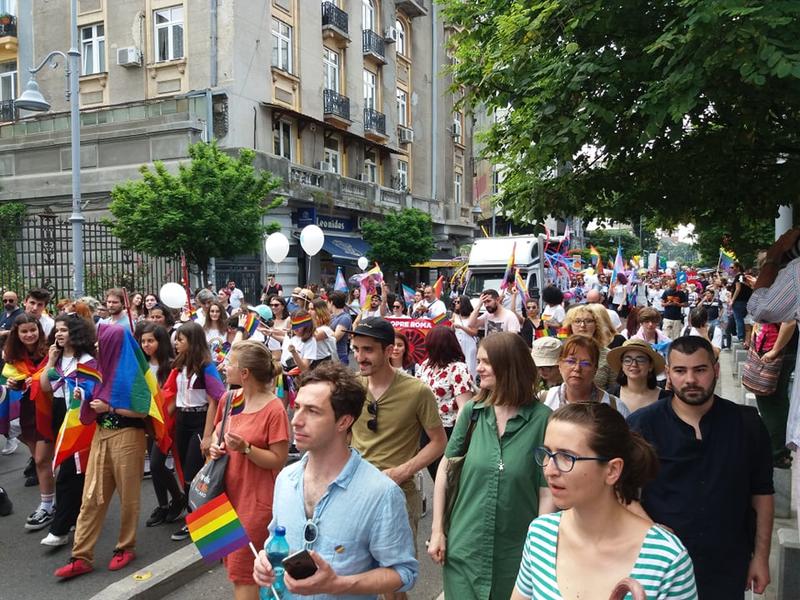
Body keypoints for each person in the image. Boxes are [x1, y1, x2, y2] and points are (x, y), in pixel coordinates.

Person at [252, 362, 418, 598]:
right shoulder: (285, 479)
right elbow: (276, 540)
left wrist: (338, 584)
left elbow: (404, 573)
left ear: (343, 422)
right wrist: (264, 560)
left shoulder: (381, 493)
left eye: (312, 411)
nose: (296, 420)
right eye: (297, 407)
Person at [627, 336, 774, 598]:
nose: (690, 380)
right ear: (668, 373)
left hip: (727, 564)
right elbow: (621, 492)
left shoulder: (747, 423)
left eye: (700, 370)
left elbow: (762, 493)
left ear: (715, 370)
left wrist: (761, 557)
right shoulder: (642, 425)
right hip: (662, 563)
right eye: (680, 371)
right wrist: (650, 527)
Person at [512, 402, 696, 599]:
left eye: (567, 457)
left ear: (612, 470)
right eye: (547, 453)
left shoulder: (666, 558)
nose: (549, 470)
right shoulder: (541, 535)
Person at [428, 332, 554, 600]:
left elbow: (547, 492)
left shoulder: (544, 421)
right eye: (479, 361)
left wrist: (540, 552)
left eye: (486, 362)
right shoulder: (472, 412)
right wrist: (438, 530)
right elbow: (445, 471)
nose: (479, 368)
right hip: (465, 550)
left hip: (516, 557)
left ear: (509, 365)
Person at [53, 325, 159, 579]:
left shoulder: (132, 373)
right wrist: (83, 394)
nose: (97, 346)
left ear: (114, 344)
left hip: (128, 437)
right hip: (100, 435)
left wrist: (110, 408)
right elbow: (92, 397)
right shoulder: (98, 368)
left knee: (128, 497)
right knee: (91, 496)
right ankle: (81, 556)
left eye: (102, 341)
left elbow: (142, 410)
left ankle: (125, 547)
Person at [349, 318, 447, 560]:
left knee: (395, 572)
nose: (360, 357)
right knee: (352, 567)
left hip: (397, 493)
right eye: (356, 349)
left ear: (389, 350)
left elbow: (438, 442)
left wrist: (402, 471)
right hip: (354, 491)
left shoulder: (417, 391)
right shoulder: (352, 387)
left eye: (368, 350)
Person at [210, 341, 289, 599]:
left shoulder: (274, 409)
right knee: (231, 567)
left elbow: (278, 460)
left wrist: (246, 448)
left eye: (229, 363)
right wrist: (214, 446)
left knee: (244, 574)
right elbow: (216, 433)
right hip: (220, 498)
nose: (224, 366)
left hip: (254, 504)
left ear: (244, 373)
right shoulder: (228, 399)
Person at [162, 322, 226, 541]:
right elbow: (173, 396)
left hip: (200, 419)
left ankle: (197, 520)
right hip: (182, 419)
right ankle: (198, 517)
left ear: (193, 341)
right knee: (184, 471)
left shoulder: (206, 366)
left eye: (181, 339)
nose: (176, 343)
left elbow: (215, 400)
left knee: (195, 473)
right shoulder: (178, 365)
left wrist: (208, 435)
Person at [37, 313, 97, 542]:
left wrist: (84, 394)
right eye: (58, 330)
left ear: (76, 332)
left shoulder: (87, 360)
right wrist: (50, 362)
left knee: (69, 472)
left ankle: (59, 529)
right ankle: (75, 516)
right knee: (71, 470)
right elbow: (46, 387)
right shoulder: (59, 358)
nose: (59, 334)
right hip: (60, 413)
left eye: (64, 330)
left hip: (79, 418)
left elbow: (94, 390)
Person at [747, 228, 800, 472]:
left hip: (779, 352)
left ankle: (777, 452)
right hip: (778, 350)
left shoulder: (794, 274)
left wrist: (773, 257)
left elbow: (761, 309)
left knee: (772, 400)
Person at [1, 314, 51, 531]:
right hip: (28, 410)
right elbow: (17, 384)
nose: (29, 334)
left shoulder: (50, 351)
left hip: (50, 409)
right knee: (40, 461)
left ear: (39, 329)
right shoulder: (14, 356)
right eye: (24, 331)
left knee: (42, 459)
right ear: (17, 334)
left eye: (33, 330)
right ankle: (48, 504)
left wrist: (41, 379)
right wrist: (15, 384)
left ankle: (54, 504)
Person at [135, 322, 185, 528]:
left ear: (161, 342)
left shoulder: (173, 366)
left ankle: (178, 498)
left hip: (168, 422)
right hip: (147, 421)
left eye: (151, 341)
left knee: (156, 464)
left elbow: (174, 397)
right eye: (143, 341)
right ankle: (163, 505)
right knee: (155, 468)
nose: (146, 345)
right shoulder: (140, 366)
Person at [415, 326, 474, 479]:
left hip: (449, 429)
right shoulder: (425, 366)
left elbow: (464, 406)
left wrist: (457, 437)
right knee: (433, 470)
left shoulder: (458, 369)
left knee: (445, 474)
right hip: (427, 427)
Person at [544, 336, 629, 417]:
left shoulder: (615, 408)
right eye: (571, 361)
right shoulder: (545, 400)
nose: (577, 368)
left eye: (585, 363)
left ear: (595, 369)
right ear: (560, 365)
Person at [606, 339, 669, 413]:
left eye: (640, 360)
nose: (634, 364)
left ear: (650, 366)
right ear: (622, 366)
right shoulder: (610, 396)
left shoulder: (666, 398)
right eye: (627, 360)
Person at [563, 304, 617, 390]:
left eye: (588, 321)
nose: (582, 325)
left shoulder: (609, 355)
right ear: (570, 325)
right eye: (577, 321)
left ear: (596, 325)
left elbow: (615, 389)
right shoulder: (561, 352)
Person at [450, 295, 478, 378]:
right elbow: (452, 331)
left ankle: (471, 382)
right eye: (455, 302)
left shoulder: (472, 316)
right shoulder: (455, 315)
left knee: (470, 366)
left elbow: (474, 332)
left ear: (464, 303)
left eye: (458, 302)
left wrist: (461, 327)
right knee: (457, 365)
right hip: (457, 342)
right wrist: (452, 327)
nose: (456, 303)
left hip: (469, 343)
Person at [530, 337, 563, 401]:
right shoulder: (533, 380)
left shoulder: (568, 385)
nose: (541, 371)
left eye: (547, 367)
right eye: (538, 366)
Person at [310, 298, 338, 368]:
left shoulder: (325, 329)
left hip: (322, 363)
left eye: (312, 309)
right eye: (308, 309)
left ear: (319, 311)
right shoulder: (312, 327)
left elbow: (310, 338)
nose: (308, 311)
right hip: (312, 362)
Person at [327, 291, 353, 365]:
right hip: (330, 355)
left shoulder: (345, 318)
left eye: (327, 302)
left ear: (331, 302)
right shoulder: (332, 316)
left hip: (339, 356)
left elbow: (336, 337)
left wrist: (325, 330)